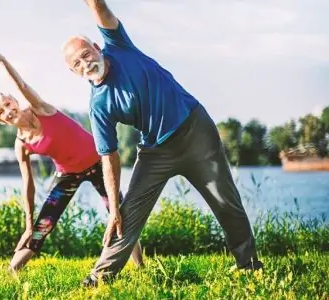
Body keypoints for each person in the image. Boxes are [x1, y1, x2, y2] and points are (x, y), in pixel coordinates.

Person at [61, 0, 264, 287]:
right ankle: (98, 278)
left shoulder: (118, 45)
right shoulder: (98, 106)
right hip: (156, 152)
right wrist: (115, 206)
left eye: (86, 54)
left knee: (225, 202)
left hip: (196, 132)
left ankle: (250, 266)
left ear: (96, 46)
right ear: (74, 72)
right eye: (77, 64)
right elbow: (109, 157)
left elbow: (99, 8)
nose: (86, 63)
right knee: (125, 216)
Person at [0, 34, 144, 272]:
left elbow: (22, 85)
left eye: (8, 104)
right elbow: (28, 186)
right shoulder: (22, 145)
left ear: (15, 101)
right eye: (1, 112)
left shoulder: (40, 109)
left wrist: (0, 59)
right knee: (42, 226)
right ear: (0, 121)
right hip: (68, 174)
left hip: (99, 162)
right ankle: (11, 271)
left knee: (119, 212)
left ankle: (140, 267)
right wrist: (28, 225)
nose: (8, 110)